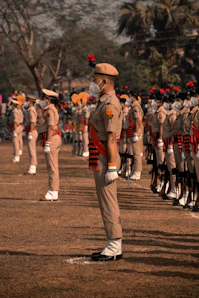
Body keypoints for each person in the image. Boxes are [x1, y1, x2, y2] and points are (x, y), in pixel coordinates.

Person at [88, 63, 123, 262]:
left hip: (105, 157)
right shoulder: (103, 101)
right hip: (101, 156)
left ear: (104, 81)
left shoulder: (110, 104)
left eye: (95, 79)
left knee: (109, 202)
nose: (93, 82)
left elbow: (110, 139)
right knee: (105, 201)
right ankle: (112, 242)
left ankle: (114, 244)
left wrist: (111, 167)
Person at [39, 89, 62, 201]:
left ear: (48, 99)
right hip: (53, 138)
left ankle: (52, 191)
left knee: (51, 167)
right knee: (53, 166)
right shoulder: (50, 109)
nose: (42, 100)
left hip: (51, 139)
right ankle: (54, 191)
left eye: (43, 98)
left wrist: (47, 143)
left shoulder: (49, 110)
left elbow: (50, 127)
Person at [24, 95, 38, 175]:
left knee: (32, 150)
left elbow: (33, 122)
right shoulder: (30, 110)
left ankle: (33, 168)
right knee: (31, 150)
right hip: (30, 131)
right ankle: (32, 167)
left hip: (31, 131)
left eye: (27, 101)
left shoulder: (31, 110)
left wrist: (30, 132)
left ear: (30, 102)